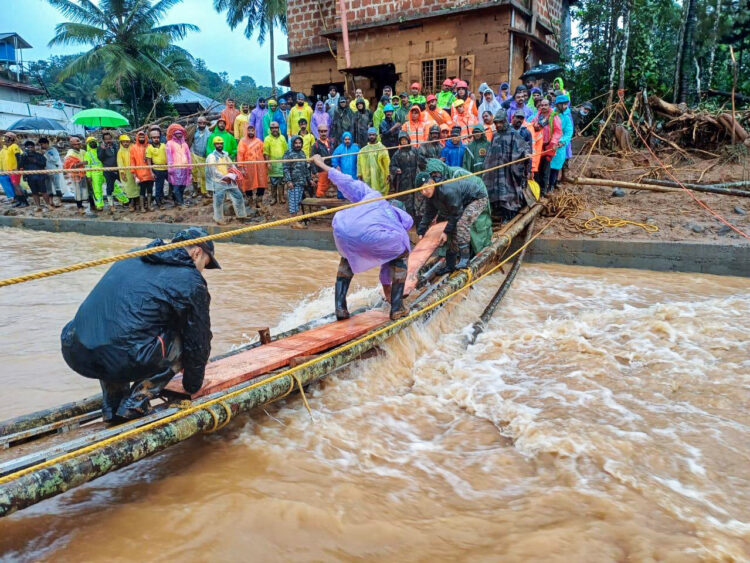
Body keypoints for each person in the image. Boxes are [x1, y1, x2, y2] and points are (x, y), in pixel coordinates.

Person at [61, 226, 217, 421]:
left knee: (112, 328)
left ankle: (112, 405)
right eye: (205, 263)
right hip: (122, 357)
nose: (203, 270)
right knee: (186, 336)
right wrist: (193, 385)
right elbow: (198, 340)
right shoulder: (191, 280)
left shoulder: (135, 254)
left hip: (75, 349)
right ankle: (137, 401)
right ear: (197, 253)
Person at [311, 154, 412, 321]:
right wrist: (387, 289)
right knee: (401, 253)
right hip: (374, 235)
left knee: (347, 257)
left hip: (342, 228)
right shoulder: (400, 222)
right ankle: (397, 307)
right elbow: (389, 263)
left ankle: (340, 308)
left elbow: (346, 181)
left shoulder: (372, 195)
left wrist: (319, 163)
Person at [417, 161, 489, 273]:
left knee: (461, 224)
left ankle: (465, 259)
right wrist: (421, 230)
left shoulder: (447, 190)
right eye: (420, 190)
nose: (424, 192)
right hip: (461, 202)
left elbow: (456, 214)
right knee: (453, 231)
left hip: (477, 198)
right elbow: (428, 214)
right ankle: (450, 265)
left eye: (426, 188)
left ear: (431, 182)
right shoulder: (430, 197)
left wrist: (445, 232)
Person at [482, 109, 531, 221]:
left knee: (508, 192)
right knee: (496, 191)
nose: (498, 125)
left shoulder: (513, 134)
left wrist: (525, 155)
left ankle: (509, 214)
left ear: (505, 121)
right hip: (496, 170)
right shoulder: (495, 135)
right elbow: (490, 151)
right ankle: (498, 212)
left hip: (508, 171)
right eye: (496, 123)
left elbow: (523, 148)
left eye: (500, 122)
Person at [206, 136, 248, 224]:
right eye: (217, 144)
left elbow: (231, 165)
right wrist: (223, 177)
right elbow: (212, 170)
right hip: (219, 182)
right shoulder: (212, 156)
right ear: (214, 145)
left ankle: (241, 216)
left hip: (229, 180)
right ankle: (219, 219)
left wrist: (234, 173)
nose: (219, 145)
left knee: (238, 196)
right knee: (218, 201)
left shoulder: (225, 155)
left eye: (221, 143)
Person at [530, 98, 561, 195]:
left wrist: (554, 142)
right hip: (538, 147)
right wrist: (533, 125)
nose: (543, 107)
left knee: (546, 170)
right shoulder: (537, 116)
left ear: (549, 105)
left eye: (545, 105)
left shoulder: (553, 117)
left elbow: (557, 131)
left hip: (548, 147)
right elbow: (531, 125)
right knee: (537, 169)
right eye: (542, 105)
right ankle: (538, 190)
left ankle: (544, 190)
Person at [389, 131, 421, 222]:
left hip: (415, 179)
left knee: (416, 199)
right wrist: (396, 170)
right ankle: (406, 219)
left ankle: (416, 219)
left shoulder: (415, 151)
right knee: (405, 200)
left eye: (405, 140)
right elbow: (392, 166)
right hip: (403, 181)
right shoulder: (397, 154)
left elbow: (421, 161)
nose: (403, 142)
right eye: (401, 140)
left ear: (408, 140)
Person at [282, 136, 313, 228]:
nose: (298, 145)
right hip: (293, 183)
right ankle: (294, 222)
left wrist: (309, 179)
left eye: (300, 143)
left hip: (301, 182)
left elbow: (306, 168)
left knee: (297, 202)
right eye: (296, 143)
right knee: (293, 202)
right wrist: (288, 181)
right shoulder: (288, 154)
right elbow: (285, 169)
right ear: (292, 143)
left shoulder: (303, 154)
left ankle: (294, 221)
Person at [237, 124, 268, 207]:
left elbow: (264, 152)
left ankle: (259, 201)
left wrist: (267, 164)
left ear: (255, 131)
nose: (251, 132)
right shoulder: (242, 141)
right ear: (246, 131)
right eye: (249, 130)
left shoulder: (259, 141)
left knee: (261, 182)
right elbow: (240, 155)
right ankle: (250, 200)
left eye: (252, 130)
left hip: (259, 166)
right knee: (248, 183)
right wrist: (241, 167)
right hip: (248, 167)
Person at [549, 94, 573, 191]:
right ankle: (546, 186)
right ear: (557, 105)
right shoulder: (550, 114)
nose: (565, 107)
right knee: (547, 166)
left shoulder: (566, 117)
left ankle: (552, 184)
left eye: (566, 104)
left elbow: (568, 131)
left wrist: (562, 142)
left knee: (556, 167)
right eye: (563, 104)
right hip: (548, 144)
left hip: (559, 147)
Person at [18, 140, 51, 212]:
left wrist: (35, 161)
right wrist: (22, 158)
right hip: (30, 177)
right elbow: (20, 166)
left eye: (31, 147)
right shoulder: (24, 156)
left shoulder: (39, 155)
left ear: (34, 147)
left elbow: (43, 164)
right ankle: (38, 206)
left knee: (44, 191)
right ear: (25, 148)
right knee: (34, 192)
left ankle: (48, 205)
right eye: (28, 147)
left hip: (40, 177)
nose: (29, 149)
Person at [357, 127, 390, 195]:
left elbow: (387, 163)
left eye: (373, 135)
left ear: (376, 136)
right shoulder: (363, 150)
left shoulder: (382, 148)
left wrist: (388, 174)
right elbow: (359, 164)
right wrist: (359, 174)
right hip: (368, 178)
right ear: (368, 136)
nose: (371, 136)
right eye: (370, 135)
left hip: (380, 177)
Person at [166, 123, 192, 207]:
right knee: (176, 187)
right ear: (174, 134)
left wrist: (190, 166)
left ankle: (178, 201)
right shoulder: (169, 143)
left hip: (185, 168)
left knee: (183, 186)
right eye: (177, 133)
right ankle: (181, 203)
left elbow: (188, 156)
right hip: (175, 169)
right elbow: (169, 156)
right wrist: (170, 168)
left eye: (180, 133)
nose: (179, 135)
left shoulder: (185, 144)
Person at [262, 121, 288, 205]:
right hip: (272, 164)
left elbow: (286, 150)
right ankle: (273, 198)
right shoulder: (267, 139)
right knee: (273, 182)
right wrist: (268, 163)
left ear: (278, 128)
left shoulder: (282, 138)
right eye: (272, 128)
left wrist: (286, 162)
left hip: (281, 163)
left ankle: (281, 197)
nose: (274, 129)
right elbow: (266, 152)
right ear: (270, 129)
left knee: (281, 181)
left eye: (276, 127)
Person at [130, 131, 155, 212]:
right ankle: (142, 207)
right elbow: (132, 161)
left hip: (149, 173)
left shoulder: (149, 146)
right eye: (140, 137)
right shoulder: (133, 147)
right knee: (142, 190)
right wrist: (134, 174)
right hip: (140, 174)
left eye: (143, 137)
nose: (141, 139)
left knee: (150, 189)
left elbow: (154, 158)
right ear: (137, 138)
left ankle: (149, 205)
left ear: (146, 138)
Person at [146, 129, 168, 209]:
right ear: (151, 138)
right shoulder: (149, 148)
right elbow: (148, 160)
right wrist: (151, 172)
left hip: (166, 168)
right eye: (154, 137)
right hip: (157, 169)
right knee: (159, 187)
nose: (156, 139)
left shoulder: (164, 145)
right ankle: (158, 202)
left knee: (172, 183)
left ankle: (163, 198)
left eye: (158, 137)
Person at [97, 132, 120, 211]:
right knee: (110, 187)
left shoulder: (115, 146)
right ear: (103, 140)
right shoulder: (101, 147)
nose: (108, 140)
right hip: (108, 170)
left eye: (109, 139)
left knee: (125, 183)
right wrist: (103, 150)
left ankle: (130, 201)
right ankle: (111, 205)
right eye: (106, 139)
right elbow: (100, 158)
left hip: (117, 169)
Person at [116, 135, 139, 211]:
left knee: (137, 187)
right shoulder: (120, 152)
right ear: (121, 143)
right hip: (126, 172)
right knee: (129, 189)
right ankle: (131, 204)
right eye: (124, 142)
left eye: (127, 142)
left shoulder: (132, 148)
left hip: (135, 170)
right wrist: (122, 173)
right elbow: (120, 163)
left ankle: (137, 203)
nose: (126, 143)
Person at [310, 124, 334, 197]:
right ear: (318, 132)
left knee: (329, 187)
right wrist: (315, 172)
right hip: (321, 170)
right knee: (321, 189)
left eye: (325, 131)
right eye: (321, 131)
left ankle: (327, 202)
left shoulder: (331, 142)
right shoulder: (316, 145)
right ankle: (321, 205)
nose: (323, 133)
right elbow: (312, 159)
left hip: (330, 168)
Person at [191, 116, 210, 197]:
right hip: (194, 154)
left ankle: (205, 191)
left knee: (204, 175)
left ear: (206, 123)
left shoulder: (209, 131)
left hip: (204, 156)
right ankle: (195, 191)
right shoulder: (193, 131)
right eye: (200, 123)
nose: (202, 125)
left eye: (204, 123)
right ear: (197, 123)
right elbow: (188, 141)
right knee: (194, 174)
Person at [39, 137, 63, 203]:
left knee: (57, 186)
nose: (41, 146)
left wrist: (46, 154)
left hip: (54, 170)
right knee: (48, 187)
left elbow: (55, 159)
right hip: (46, 171)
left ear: (46, 143)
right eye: (40, 144)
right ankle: (51, 201)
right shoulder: (43, 151)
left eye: (42, 144)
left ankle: (59, 201)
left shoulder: (53, 150)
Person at [84, 136, 105, 210]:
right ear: (88, 144)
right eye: (91, 142)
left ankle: (124, 200)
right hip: (95, 173)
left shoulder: (101, 150)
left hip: (105, 171)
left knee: (114, 187)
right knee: (97, 190)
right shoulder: (87, 154)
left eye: (94, 141)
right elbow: (87, 166)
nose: (93, 143)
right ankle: (99, 205)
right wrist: (88, 176)